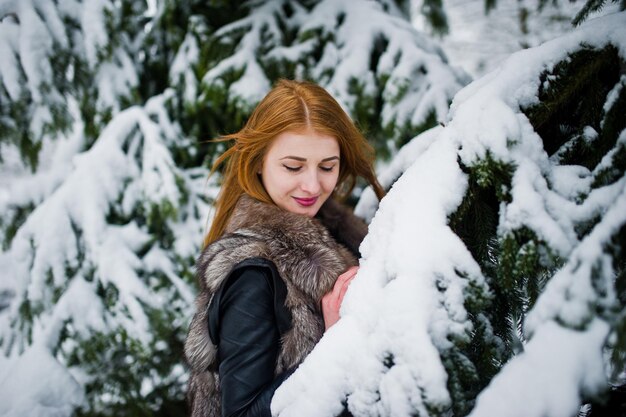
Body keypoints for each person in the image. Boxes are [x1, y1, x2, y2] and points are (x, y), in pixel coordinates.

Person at [184, 79, 385, 417]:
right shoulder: (253, 274)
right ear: (259, 162)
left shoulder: (343, 236)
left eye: (327, 166)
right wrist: (335, 343)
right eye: (293, 166)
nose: (312, 185)